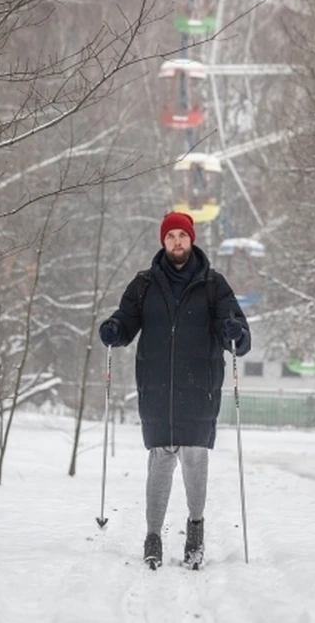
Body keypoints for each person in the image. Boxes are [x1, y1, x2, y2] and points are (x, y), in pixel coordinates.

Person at [98, 210, 251, 570]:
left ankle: (195, 533)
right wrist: (114, 330)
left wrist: (236, 334)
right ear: (162, 241)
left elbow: (239, 333)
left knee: (195, 459)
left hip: (200, 387)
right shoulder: (143, 285)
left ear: (191, 239)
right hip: (157, 388)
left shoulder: (214, 285)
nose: (177, 242)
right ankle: (153, 538)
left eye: (182, 235)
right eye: (171, 236)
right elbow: (126, 322)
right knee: (161, 460)